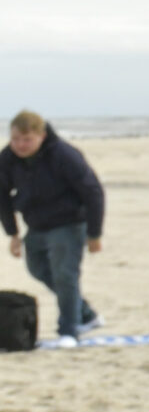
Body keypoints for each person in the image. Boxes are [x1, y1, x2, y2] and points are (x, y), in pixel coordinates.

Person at [4, 109, 106, 340]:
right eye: (15, 139)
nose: (20, 145)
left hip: (69, 223)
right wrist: (13, 233)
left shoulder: (64, 155)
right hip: (37, 226)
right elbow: (2, 195)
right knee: (37, 269)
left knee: (65, 275)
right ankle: (86, 315)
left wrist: (94, 234)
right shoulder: (8, 158)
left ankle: (70, 330)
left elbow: (93, 193)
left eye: (27, 139)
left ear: (41, 135)